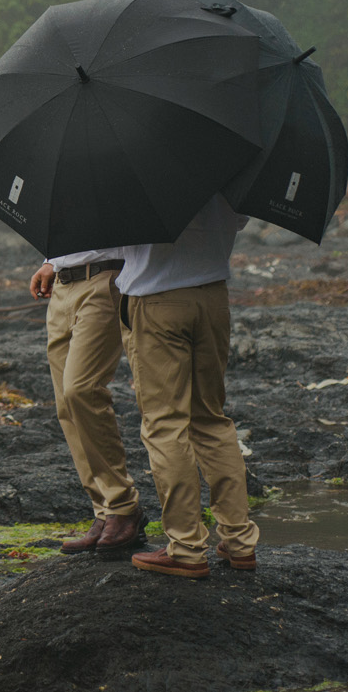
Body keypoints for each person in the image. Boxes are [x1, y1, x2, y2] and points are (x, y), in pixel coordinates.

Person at [117, 193, 260, 579]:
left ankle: (185, 547)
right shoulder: (226, 164)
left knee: (165, 425)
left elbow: (115, 234)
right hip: (212, 296)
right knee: (210, 420)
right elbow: (240, 219)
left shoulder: (139, 170)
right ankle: (240, 541)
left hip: (155, 298)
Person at [30, 251, 146, 554]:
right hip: (62, 286)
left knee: (81, 391)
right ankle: (105, 510)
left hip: (103, 279)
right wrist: (51, 262)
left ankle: (123, 506)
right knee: (66, 408)